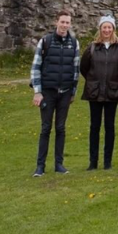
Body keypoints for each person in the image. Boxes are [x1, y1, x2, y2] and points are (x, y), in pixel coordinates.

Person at [30, 10, 80, 176]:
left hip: (65, 92)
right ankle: (40, 166)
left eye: (67, 22)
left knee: (60, 128)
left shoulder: (74, 43)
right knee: (45, 128)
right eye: (62, 22)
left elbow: (75, 69)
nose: (65, 25)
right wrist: (37, 92)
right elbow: (36, 67)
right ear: (56, 22)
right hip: (48, 92)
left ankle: (59, 164)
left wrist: (73, 91)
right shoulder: (45, 41)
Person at [79, 14, 118, 170]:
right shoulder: (92, 47)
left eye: (109, 27)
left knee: (110, 127)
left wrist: (114, 80)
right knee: (95, 126)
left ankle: (107, 162)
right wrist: (93, 80)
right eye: (104, 27)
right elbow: (84, 68)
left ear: (113, 29)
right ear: (100, 29)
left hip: (112, 91)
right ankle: (93, 162)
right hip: (95, 92)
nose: (107, 30)